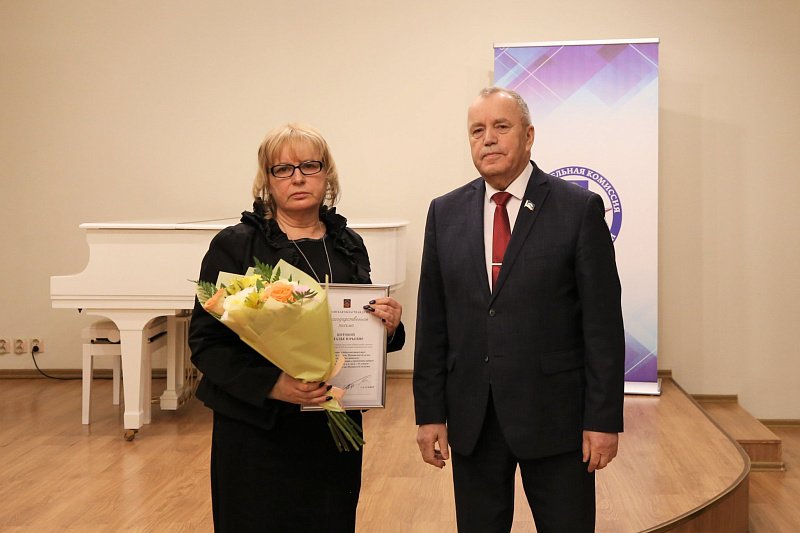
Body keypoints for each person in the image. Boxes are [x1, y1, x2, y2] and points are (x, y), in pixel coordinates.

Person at [413, 87, 625, 533]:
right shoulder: (444, 213)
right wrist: (429, 413)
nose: (488, 139)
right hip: (473, 419)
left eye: (501, 127)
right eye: (477, 130)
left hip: (556, 420)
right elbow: (433, 322)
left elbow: (603, 327)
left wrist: (603, 419)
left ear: (528, 136)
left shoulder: (577, 209)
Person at [188, 123, 405, 532]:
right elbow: (205, 342)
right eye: (283, 169)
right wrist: (273, 385)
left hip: (331, 425)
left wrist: (389, 326)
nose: (298, 177)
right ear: (267, 180)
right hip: (257, 429)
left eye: (309, 165)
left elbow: (361, 326)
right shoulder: (236, 245)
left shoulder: (348, 244)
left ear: (327, 174)